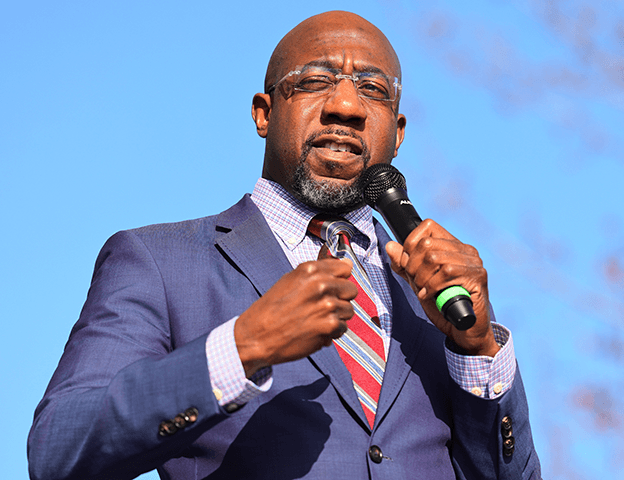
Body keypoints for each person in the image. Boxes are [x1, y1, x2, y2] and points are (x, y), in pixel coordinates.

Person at [28, 10, 541, 480]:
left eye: (373, 90)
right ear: (263, 114)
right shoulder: (159, 263)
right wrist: (244, 346)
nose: (346, 106)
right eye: (316, 82)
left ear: (398, 132)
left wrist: (477, 351)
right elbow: (59, 449)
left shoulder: (435, 296)